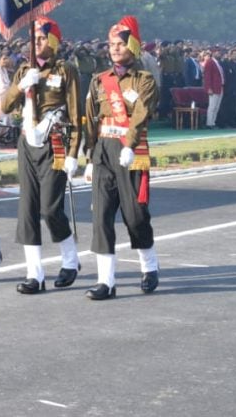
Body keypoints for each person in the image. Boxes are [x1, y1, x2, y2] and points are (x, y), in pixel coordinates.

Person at [0, 17, 82, 294]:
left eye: (42, 39)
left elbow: (75, 112)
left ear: (55, 41)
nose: (36, 44)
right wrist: (21, 85)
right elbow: (5, 104)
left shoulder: (66, 70)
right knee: (27, 209)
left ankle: (70, 260)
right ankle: (34, 274)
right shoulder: (24, 68)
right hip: (28, 143)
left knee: (50, 208)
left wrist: (74, 153)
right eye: (33, 39)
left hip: (55, 142)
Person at [83, 15, 159, 300]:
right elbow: (91, 119)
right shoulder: (99, 81)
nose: (114, 49)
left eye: (120, 44)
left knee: (135, 216)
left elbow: (140, 113)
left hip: (132, 152)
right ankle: (106, 282)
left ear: (134, 46)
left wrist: (129, 143)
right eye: (111, 44)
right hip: (104, 150)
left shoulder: (145, 80)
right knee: (101, 216)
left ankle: (149, 266)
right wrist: (89, 156)